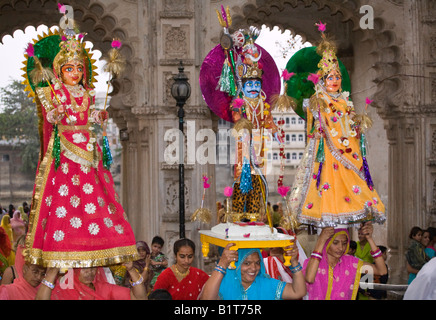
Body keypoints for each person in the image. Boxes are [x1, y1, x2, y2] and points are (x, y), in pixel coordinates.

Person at [22, 7, 138, 268]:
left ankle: (97, 238)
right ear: (58, 70)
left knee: (94, 198)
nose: (74, 72)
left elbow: (89, 115)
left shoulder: (85, 94)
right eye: (69, 68)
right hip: (65, 151)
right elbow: (51, 117)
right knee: (66, 199)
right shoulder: (55, 92)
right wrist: (56, 112)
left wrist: (98, 117)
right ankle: (63, 242)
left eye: (78, 68)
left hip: (87, 150)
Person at [287, 23, 385, 228]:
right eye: (330, 77)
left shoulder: (345, 101)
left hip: (348, 150)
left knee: (352, 185)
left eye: (338, 77)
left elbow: (347, 123)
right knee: (329, 188)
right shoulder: (318, 100)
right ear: (322, 79)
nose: (335, 81)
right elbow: (310, 121)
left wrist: (357, 127)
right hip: (328, 150)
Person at [303, 222, 387, 300]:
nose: (341, 248)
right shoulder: (313, 263)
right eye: (335, 243)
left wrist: (369, 238)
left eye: (344, 243)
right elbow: (310, 278)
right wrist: (321, 240)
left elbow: (381, 271)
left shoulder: (350, 263)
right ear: (326, 242)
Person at [200, 242, 306, 300]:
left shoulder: (267, 284)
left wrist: (294, 262)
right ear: (236, 264)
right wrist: (222, 264)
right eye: (247, 263)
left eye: (257, 263)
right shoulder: (224, 284)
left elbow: (298, 292)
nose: (254, 268)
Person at [36, 262, 147, 300]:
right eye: (85, 268)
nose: (90, 272)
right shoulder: (64, 289)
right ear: (74, 269)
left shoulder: (103, 288)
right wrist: (52, 272)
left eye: (93, 267)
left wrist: (131, 270)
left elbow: (140, 298)